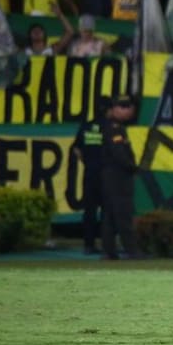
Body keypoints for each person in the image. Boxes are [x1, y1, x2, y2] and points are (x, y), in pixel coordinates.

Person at [101, 95, 139, 260]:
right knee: (122, 214)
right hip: (117, 178)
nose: (128, 110)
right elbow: (119, 154)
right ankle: (131, 250)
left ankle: (110, 251)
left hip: (110, 178)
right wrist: (132, 167)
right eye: (123, 107)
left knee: (109, 215)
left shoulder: (112, 127)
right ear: (114, 109)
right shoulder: (114, 128)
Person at [73, 100, 109, 255]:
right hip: (106, 174)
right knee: (108, 210)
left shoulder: (86, 126)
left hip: (89, 173)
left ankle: (89, 245)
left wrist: (87, 161)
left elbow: (76, 148)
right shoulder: (110, 127)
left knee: (89, 211)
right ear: (109, 110)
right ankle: (108, 245)